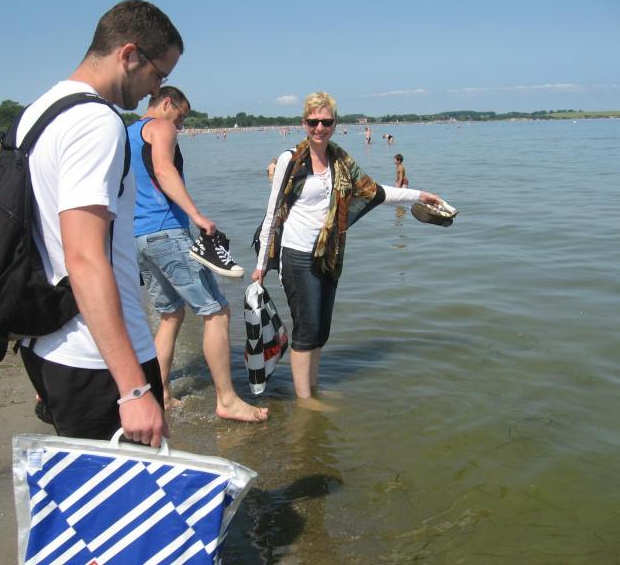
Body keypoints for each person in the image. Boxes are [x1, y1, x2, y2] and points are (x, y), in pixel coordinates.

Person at [17, 0, 183, 446]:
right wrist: (133, 389)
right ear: (128, 55)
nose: (157, 89)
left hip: (48, 342)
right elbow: (85, 257)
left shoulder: (38, 113)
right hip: (98, 358)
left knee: (82, 482)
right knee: (129, 489)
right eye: (158, 74)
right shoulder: (96, 123)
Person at [252, 92, 446, 401]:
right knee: (306, 330)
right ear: (304, 123)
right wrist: (261, 265)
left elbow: (375, 192)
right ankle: (305, 401)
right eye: (313, 122)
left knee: (320, 331)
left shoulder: (340, 161)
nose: (319, 128)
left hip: (329, 256)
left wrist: (419, 196)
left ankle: (311, 388)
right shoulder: (291, 159)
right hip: (296, 255)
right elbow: (272, 213)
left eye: (326, 122)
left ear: (334, 123)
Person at [131, 86, 268, 422]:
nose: (180, 125)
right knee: (217, 312)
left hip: (138, 237)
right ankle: (227, 400)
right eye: (181, 117)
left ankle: (161, 393)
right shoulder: (160, 126)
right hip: (166, 230)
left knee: (170, 315)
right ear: (166, 104)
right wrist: (196, 215)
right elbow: (164, 170)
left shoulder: (126, 133)